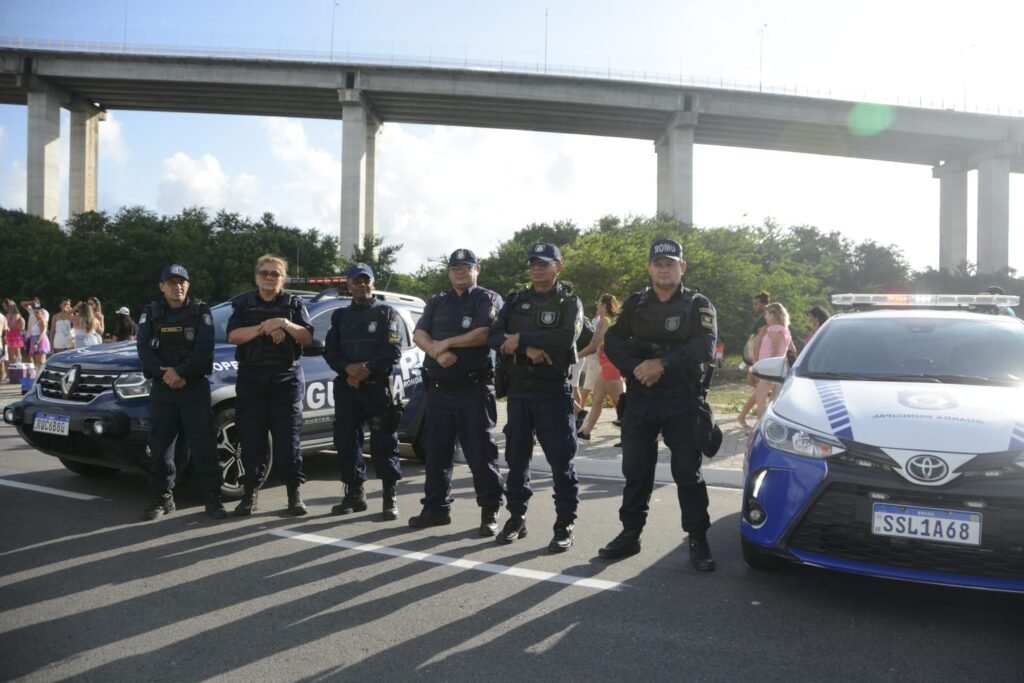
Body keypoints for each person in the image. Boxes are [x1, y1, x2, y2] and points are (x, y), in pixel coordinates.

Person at [600, 238, 718, 572]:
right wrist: (638, 370)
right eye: (658, 264)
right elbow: (614, 340)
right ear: (650, 268)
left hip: (682, 401)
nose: (664, 269)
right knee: (636, 471)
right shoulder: (637, 303)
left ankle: (698, 538)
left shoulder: (699, 304)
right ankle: (630, 534)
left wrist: (661, 364)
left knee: (687, 474)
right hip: (641, 399)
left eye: (671, 264)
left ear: (682, 267)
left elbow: (704, 348)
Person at [487, 242, 582, 552]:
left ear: (559, 267)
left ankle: (564, 523)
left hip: (552, 392)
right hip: (519, 392)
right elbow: (493, 335)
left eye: (544, 263)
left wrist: (521, 338)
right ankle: (517, 517)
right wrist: (526, 348)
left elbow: (566, 337)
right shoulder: (515, 300)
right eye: (533, 264)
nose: (537, 268)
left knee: (560, 462)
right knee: (516, 461)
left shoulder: (569, 302)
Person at [408, 248, 506, 534]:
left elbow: (483, 333)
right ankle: (435, 508)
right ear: (449, 272)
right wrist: (437, 354)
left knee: (480, 454)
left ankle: (489, 511)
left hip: (473, 390)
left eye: (466, 267)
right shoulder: (437, 301)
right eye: (455, 268)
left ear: (478, 269)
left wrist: (445, 343)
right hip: (438, 390)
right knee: (436, 453)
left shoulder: (487, 298)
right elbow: (419, 334)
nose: (460, 272)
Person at [136, 264, 225, 520]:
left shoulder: (201, 311)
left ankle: (213, 497)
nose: (178, 286)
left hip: (193, 388)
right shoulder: (151, 313)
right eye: (172, 282)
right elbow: (143, 350)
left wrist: (181, 372)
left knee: (203, 445)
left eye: (182, 282)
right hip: (163, 389)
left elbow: (204, 348)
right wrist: (168, 374)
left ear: (188, 285)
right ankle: (162, 497)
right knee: (161, 446)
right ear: (162, 286)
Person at [228, 254, 313, 516]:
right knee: (251, 441)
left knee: (288, 442)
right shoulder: (243, 304)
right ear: (256, 277)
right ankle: (250, 494)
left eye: (275, 274)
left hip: (285, 381)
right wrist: (265, 327)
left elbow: (307, 337)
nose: (269, 278)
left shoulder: (294, 304)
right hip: (252, 380)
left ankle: (293, 494)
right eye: (264, 273)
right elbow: (233, 336)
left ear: (283, 279)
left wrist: (284, 323)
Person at [325, 262, 404, 520]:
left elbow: (392, 352)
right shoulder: (339, 316)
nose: (361, 285)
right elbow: (330, 352)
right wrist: (349, 370)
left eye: (365, 280)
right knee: (347, 443)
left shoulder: (386, 313)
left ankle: (389, 497)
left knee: (384, 444)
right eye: (356, 281)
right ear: (348, 285)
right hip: (348, 388)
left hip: (377, 389)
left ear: (373, 283)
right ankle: (354, 494)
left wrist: (364, 371)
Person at [578, 294, 624, 440]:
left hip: (610, 366)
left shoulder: (604, 321)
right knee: (597, 400)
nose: (597, 307)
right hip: (606, 366)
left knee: (621, 404)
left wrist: (573, 357)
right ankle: (585, 432)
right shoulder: (611, 321)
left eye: (599, 304)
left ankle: (630, 436)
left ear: (604, 305)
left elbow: (593, 345)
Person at [754, 302, 793, 421]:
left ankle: (758, 428)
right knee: (772, 404)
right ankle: (766, 426)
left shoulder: (774, 330)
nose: (765, 317)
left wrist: (765, 367)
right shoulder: (785, 330)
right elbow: (792, 349)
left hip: (769, 370)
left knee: (760, 401)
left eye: (766, 314)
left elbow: (775, 351)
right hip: (778, 370)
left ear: (772, 314)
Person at [737, 291, 770, 430]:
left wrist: (756, 358)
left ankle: (743, 416)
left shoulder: (765, 319)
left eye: (756, 304)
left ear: (764, 304)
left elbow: (761, 340)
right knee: (756, 384)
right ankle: (743, 416)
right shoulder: (763, 318)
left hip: (762, 357)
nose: (754, 307)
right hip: (758, 358)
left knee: (759, 387)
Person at [22, 301, 50, 371]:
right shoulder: (36, 321)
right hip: (34, 339)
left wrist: (37, 342)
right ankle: (37, 373)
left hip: (40, 340)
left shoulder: (42, 321)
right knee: (36, 359)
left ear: (41, 313)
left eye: (37, 312)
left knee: (41, 360)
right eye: (35, 312)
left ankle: (44, 373)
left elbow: (43, 332)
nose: (36, 314)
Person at [4, 299, 25, 365]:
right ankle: (13, 366)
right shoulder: (8, 314)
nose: (4, 307)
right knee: (11, 352)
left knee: (15, 352)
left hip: (14, 334)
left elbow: (11, 325)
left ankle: (17, 366)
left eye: (5, 306)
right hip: (9, 334)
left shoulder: (16, 315)